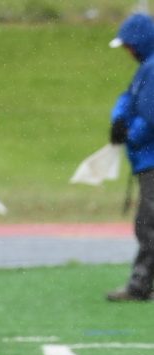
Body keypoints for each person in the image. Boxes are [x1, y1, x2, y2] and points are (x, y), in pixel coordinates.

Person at [106, 13, 154, 302]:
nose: (128, 51)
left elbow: (150, 116)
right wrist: (118, 119)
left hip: (151, 160)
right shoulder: (145, 69)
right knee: (147, 223)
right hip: (146, 161)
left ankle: (140, 285)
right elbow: (128, 98)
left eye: (129, 45)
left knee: (148, 224)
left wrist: (129, 134)